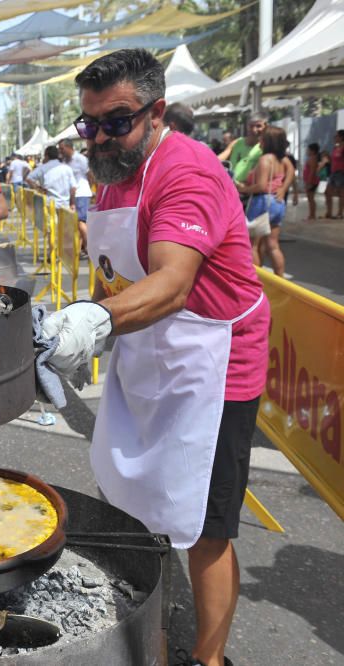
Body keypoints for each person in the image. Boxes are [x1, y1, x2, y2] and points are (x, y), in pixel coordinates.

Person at [44, 49, 269, 666]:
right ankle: (153, 640)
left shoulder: (187, 173)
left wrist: (93, 322)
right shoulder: (113, 173)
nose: (99, 137)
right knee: (132, 503)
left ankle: (210, 658)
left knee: (205, 526)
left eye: (116, 122)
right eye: (89, 124)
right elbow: (113, 273)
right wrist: (71, 338)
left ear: (157, 111)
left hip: (214, 361)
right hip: (148, 347)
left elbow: (171, 282)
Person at [237, 126, 292, 277]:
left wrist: (242, 189)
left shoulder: (264, 160)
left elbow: (261, 186)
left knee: (253, 244)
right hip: (277, 203)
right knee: (273, 245)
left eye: (262, 138)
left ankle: (256, 279)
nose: (259, 140)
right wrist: (283, 188)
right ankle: (280, 280)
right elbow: (291, 172)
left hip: (262, 203)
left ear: (268, 141)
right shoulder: (283, 159)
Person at [58, 139, 92, 250]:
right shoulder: (64, 162)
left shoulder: (81, 159)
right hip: (70, 196)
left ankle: (88, 247)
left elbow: (90, 175)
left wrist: (89, 188)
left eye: (62, 148)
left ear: (69, 147)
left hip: (81, 193)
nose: (60, 151)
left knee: (81, 221)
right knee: (74, 223)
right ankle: (80, 247)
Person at [217, 111, 267, 185]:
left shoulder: (266, 145)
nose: (254, 129)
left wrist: (283, 188)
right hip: (232, 186)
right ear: (247, 126)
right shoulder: (237, 142)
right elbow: (219, 159)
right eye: (251, 126)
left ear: (266, 126)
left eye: (258, 126)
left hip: (251, 190)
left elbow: (287, 164)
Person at [27, 145, 77, 211]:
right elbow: (73, 188)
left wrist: (38, 189)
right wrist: (72, 203)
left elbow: (29, 178)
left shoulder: (42, 168)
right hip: (65, 206)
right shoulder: (67, 168)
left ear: (46, 156)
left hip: (49, 205)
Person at [324, 129, 344, 218]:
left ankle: (340, 213)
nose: (334, 137)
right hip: (333, 172)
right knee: (327, 192)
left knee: (341, 193)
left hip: (341, 172)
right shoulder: (335, 147)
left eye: (336, 136)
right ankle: (329, 212)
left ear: (341, 137)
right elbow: (333, 160)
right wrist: (328, 156)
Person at [303, 142, 321, 220]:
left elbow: (312, 171)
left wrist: (309, 182)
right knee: (310, 198)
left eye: (308, 150)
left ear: (313, 151)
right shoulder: (312, 158)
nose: (307, 151)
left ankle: (312, 215)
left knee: (311, 198)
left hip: (312, 181)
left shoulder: (313, 158)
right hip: (311, 181)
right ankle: (311, 214)